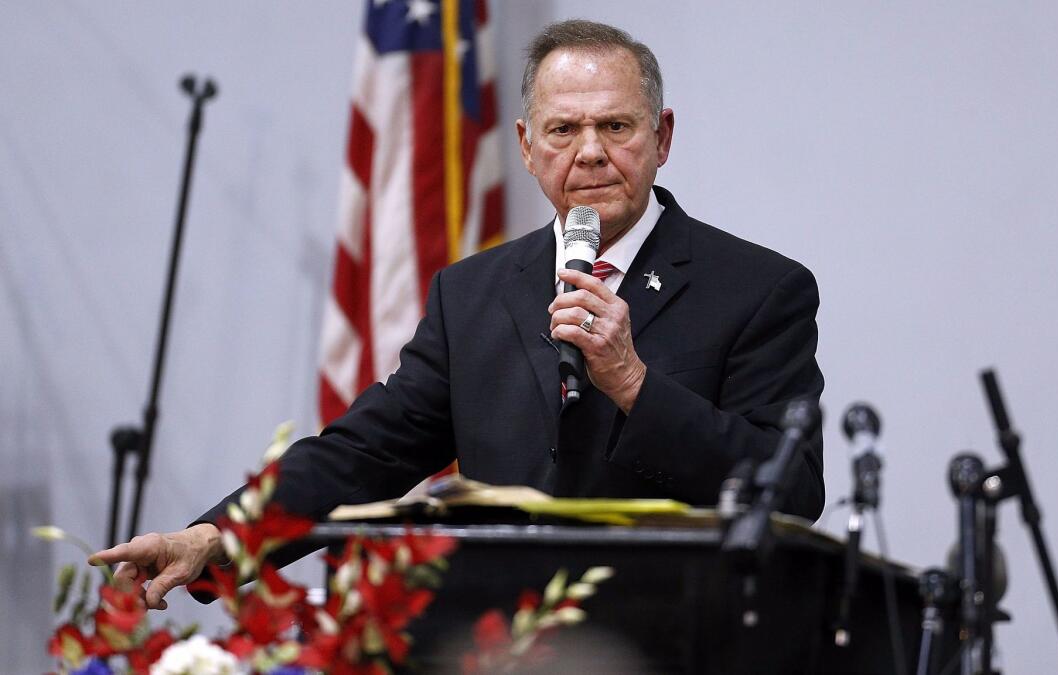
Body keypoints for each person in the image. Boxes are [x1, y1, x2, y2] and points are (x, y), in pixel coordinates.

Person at [91, 19, 825, 611]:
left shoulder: (760, 289)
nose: (591, 153)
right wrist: (217, 538)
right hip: (500, 644)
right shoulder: (472, 293)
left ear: (662, 137)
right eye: (564, 129)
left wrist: (633, 382)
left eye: (617, 127)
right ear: (527, 147)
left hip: (679, 640)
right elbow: (363, 453)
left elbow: (792, 491)